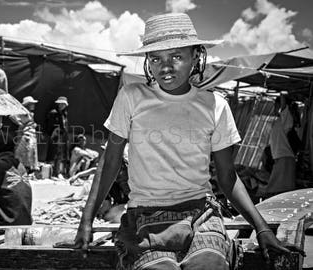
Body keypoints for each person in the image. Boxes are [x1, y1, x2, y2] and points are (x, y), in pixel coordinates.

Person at [71, 13, 295, 269]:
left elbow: (227, 177)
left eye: (176, 56)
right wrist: (86, 221)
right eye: (156, 58)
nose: (165, 67)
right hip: (145, 216)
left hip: (200, 215)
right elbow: (110, 161)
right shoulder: (131, 97)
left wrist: (262, 228)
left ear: (196, 56)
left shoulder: (215, 106)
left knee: (209, 264)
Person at [260, 92, 297, 197]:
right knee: (278, 187)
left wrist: (282, 95)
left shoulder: (286, 118)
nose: (275, 109)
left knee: (279, 189)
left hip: (285, 157)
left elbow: (284, 106)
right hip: (280, 157)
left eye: (276, 106)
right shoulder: (279, 121)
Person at [10, 96, 39, 173]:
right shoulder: (23, 112)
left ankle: (27, 171)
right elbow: (12, 116)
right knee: (23, 153)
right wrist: (20, 123)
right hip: (25, 135)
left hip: (31, 134)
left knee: (29, 152)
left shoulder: (30, 113)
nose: (33, 105)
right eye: (32, 104)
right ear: (28, 104)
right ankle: (21, 170)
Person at [46, 96, 70, 178]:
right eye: (61, 104)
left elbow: (65, 125)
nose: (62, 105)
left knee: (61, 154)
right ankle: (52, 173)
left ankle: (58, 172)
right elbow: (50, 125)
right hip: (55, 135)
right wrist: (53, 133)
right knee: (54, 153)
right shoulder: (53, 113)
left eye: (64, 104)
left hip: (62, 136)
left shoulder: (64, 114)